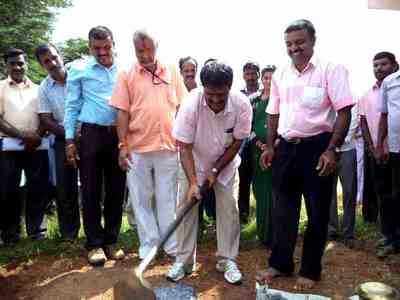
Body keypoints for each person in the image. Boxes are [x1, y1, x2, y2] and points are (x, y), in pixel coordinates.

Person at [258, 19, 354, 288]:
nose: (294, 48)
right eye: (289, 44)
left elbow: (344, 111)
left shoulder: (330, 70)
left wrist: (331, 150)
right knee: (284, 211)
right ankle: (280, 264)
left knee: (317, 213)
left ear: (312, 41)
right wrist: (269, 145)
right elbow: (272, 113)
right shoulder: (280, 75)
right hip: (286, 149)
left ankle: (310, 270)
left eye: (299, 42)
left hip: (318, 147)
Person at [167, 61, 252, 285]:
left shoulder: (242, 105)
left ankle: (227, 260)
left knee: (229, 210)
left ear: (229, 87)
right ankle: (184, 262)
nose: (215, 100)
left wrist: (215, 171)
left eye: (220, 95)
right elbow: (183, 146)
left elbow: (236, 144)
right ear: (203, 87)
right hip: (192, 163)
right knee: (185, 208)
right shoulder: (190, 104)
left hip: (225, 165)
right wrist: (195, 182)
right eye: (210, 94)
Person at [110, 29, 186, 260]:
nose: (144, 55)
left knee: (168, 199)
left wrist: (183, 139)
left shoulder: (172, 70)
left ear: (157, 46)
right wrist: (122, 145)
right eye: (139, 51)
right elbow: (122, 112)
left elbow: (182, 107)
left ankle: (171, 245)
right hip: (137, 149)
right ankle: (149, 246)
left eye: (148, 49)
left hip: (168, 147)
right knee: (141, 200)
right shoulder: (126, 74)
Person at [64, 26, 126, 265]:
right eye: (96, 48)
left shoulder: (126, 70)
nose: (102, 52)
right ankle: (93, 244)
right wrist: (69, 140)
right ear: (89, 47)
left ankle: (111, 240)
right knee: (90, 190)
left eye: (106, 47)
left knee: (116, 189)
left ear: (113, 44)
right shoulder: (79, 70)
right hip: (90, 135)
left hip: (119, 135)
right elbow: (71, 106)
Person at [0, 48, 49, 244]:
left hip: (36, 146)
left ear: (26, 63)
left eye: (20, 63)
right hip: (8, 147)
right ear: (6, 66)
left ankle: (37, 232)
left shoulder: (39, 89)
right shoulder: (0, 87)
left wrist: (36, 136)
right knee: (7, 191)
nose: (17, 67)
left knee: (38, 189)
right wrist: (22, 136)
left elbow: (46, 116)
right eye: (13, 63)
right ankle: (11, 235)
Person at [36, 43, 81, 242]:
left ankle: (96, 234)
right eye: (46, 61)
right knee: (65, 189)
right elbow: (46, 119)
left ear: (60, 56)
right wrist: (70, 136)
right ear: (41, 66)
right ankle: (69, 235)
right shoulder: (44, 88)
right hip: (62, 140)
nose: (52, 63)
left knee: (92, 187)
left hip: (88, 137)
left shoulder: (80, 76)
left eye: (54, 57)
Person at [179, 56, 217, 227]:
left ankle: (201, 222)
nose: (189, 73)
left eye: (192, 70)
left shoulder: (203, 91)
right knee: (189, 189)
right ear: (181, 72)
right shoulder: (177, 90)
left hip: (203, 145)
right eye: (186, 70)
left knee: (203, 189)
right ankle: (192, 228)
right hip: (183, 146)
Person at [374, 52, 400, 257]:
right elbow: (383, 116)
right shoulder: (389, 83)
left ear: (394, 64)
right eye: (377, 65)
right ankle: (392, 238)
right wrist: (379, 144)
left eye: (384, 64)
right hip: (395, 149)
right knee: (394, 195)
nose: (379, 68)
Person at [250, 65, 276, 246]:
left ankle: (275, 233)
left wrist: (272, 145)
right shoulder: (255, 101)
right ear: (262, 80)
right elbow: (248, 126)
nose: (268, 81)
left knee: (274, 192)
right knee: (260, 192)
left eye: (272, 78)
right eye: (266, 78)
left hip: (276, 152)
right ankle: (262, 233)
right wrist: (260, 144)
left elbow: (283, 125)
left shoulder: (280, 100)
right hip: (257, 152)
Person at [328, 106, 358, 247]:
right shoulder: (329, 95)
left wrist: (338, 141)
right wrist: (331, 146)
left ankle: (348, 232)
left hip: (347, 149)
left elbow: (353, 123)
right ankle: (331, 229)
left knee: (349, 191)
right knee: (329, 192)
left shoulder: (352, 97)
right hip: (328, 151)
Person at [238, 61, 260, 223]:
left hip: (261, 143)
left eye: (253, 73)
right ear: (243, 76)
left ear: (258, 74)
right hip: (244, 144)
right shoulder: (239, 95)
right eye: (248, 74)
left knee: (260, 179)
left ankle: (262, 213)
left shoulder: (265, 93)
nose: (251, 77)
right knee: (243, 179)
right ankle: (243, 214)